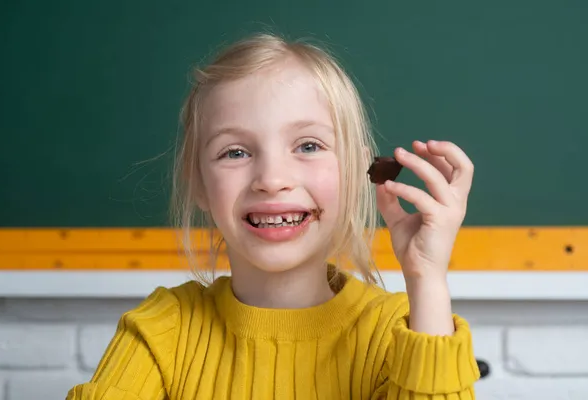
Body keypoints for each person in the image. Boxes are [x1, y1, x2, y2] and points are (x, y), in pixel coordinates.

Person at [67, 33, 479, 399]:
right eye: (236, 152)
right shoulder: (162, 329)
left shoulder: (396, 331)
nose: (272, 179)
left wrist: (426, 278)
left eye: (308, 145)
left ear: (355, 170)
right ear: (198, 185)